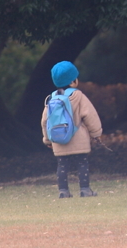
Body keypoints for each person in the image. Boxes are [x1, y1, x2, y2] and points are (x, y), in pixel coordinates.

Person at [41, 61, 103, 198]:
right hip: (78, 137)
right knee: (82, 163)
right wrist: (96, 133)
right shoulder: (78, 96)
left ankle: (63, 191)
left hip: (58, 138)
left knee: (62, 165)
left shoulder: (51, 98)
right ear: (73, 81)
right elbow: (90, 115)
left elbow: (45, 121)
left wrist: (47, 139)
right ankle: (85, 190)